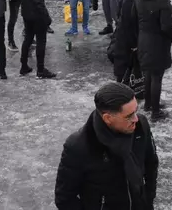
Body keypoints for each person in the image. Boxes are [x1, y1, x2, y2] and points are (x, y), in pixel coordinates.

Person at [54, 82, 158, 210]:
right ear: (108, 118)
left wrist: (149, 199)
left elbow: (151, 164)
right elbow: (64, 199)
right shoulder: (78, 146)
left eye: (135, 111)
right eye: (129, 116)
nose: (136, 119)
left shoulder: (141, 126)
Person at [134, 0, 172, 121]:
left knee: (148, 73)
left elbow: (132, 17)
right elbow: (166, 27)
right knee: (157, 77)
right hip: (158, 43)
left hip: (143, 40)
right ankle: (155, 112)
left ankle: (148, 104)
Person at [19, 0, 56, 78]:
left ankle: (23, 66)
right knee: (41, 41)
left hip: (26, 13)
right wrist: (46, 17)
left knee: (28, 39)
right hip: (37, 15)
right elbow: (38, 1)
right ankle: (40, 70)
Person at [112, 0, 148, 81]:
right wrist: (134, 43)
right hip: (126, 41)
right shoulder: (130, 0)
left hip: (126, 38)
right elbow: (128, 23)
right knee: (125, 68)